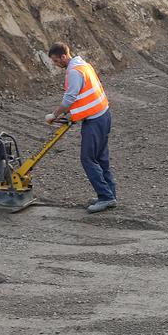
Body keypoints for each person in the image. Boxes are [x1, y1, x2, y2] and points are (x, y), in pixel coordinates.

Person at [46, 42, 117, 213]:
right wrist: (69, 115)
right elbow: (83, 96)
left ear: (64, 56)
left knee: (88, 159)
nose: (55, 64)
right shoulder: (83, 65)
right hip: (103, 115)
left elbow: (70, 98)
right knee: (101, 158)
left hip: (95, 120)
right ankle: (109, 195)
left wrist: (54, 115)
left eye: (56, 61)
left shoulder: (74, 72)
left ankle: (106, 197)